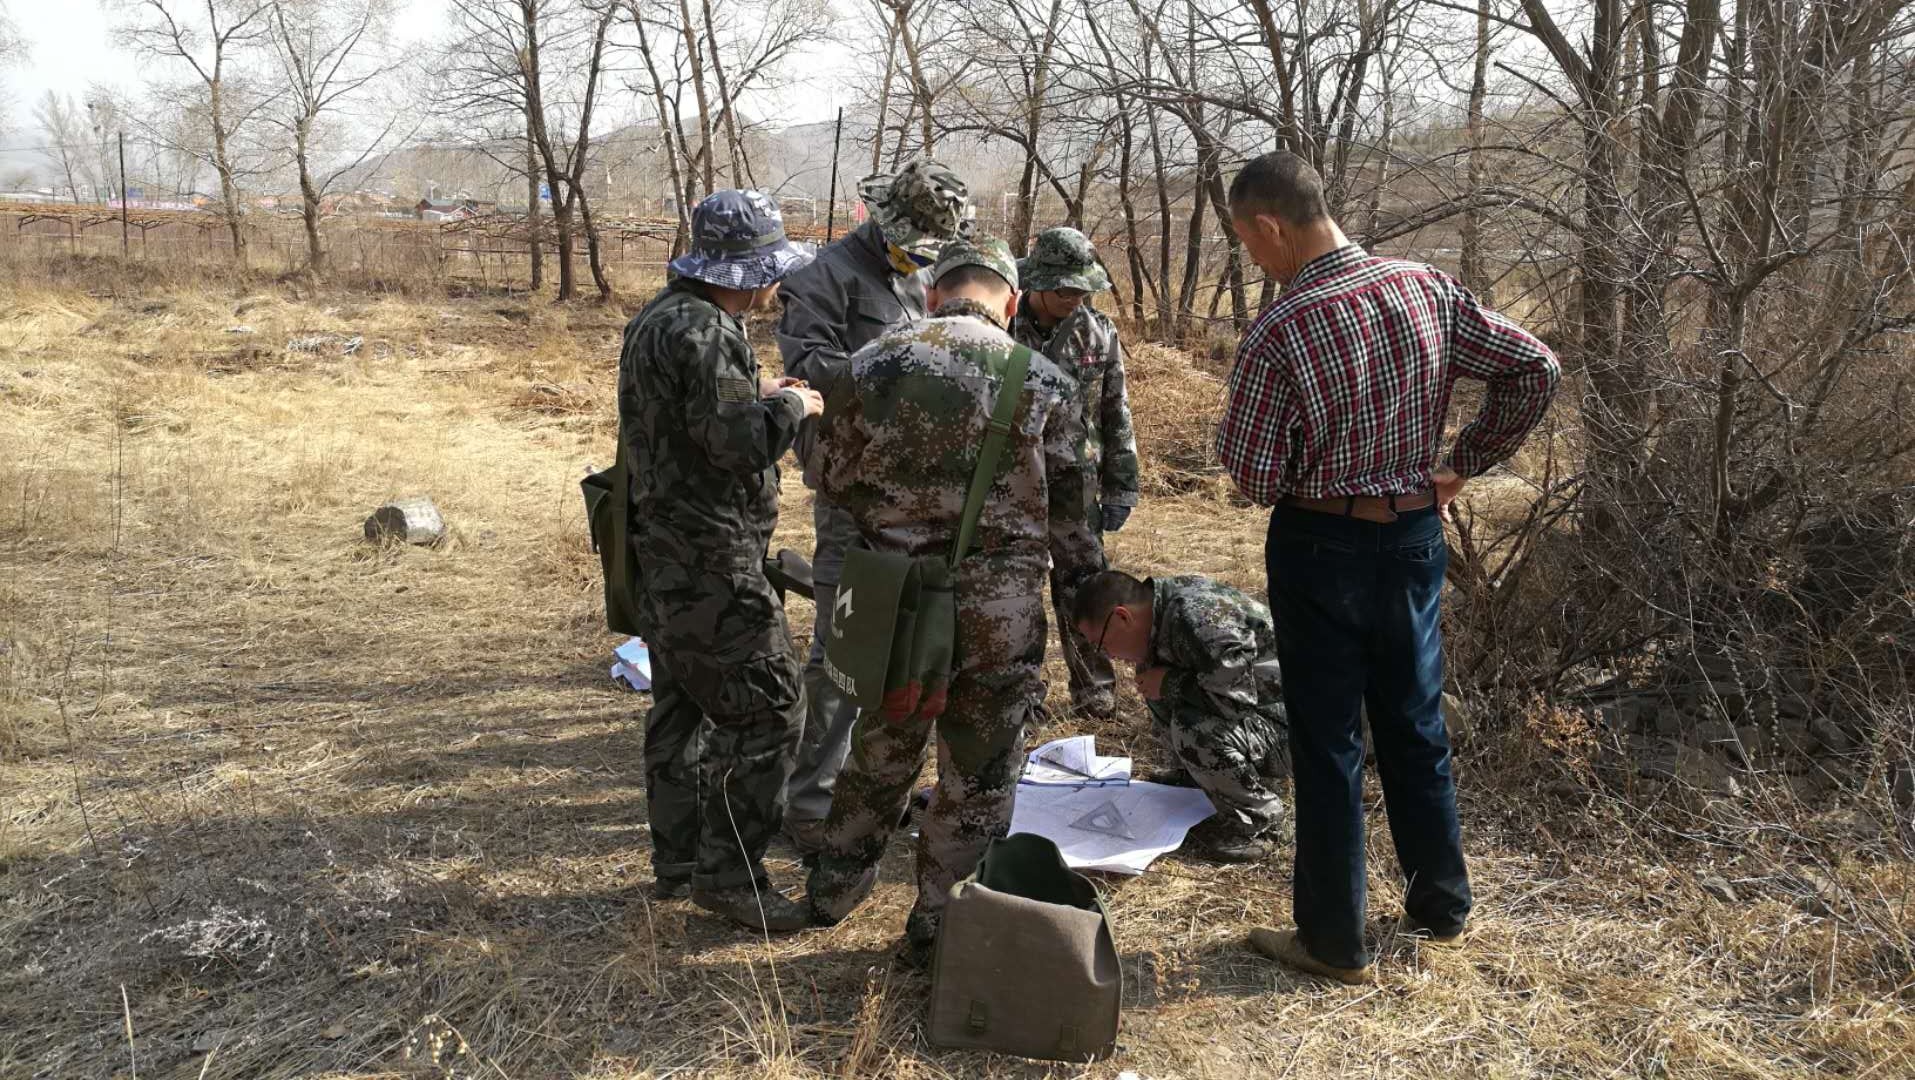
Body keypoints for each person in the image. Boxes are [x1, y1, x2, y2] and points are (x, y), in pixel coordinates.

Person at [1216, 151, 1559, 984]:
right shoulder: (1427, 289)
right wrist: (1463, 462)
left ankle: (1334, 941)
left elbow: (1254, 477)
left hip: (1319, 545)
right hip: (1411, 538)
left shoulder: (1281, 329)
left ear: (1269, 226)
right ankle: (1439, 905)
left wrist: (1308, 455)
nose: (1252, 259)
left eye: (1246, 242)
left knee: (1329, 741)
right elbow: (1533, 367)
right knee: (1413, 721)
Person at [801, 237, 1102, 968]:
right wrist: (1088, 650)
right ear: (1011, 299)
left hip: (894, 603)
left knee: (880, 745)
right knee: (980, 772)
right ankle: (940, 926)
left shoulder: (866, 366)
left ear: (933, 294)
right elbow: (1075, 532)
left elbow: (828, 480)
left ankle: (832, 890)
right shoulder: (1045, 382)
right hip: (996, 615)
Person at [619, 189, 825, 931]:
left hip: (664, 554)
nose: (773, 288)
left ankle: (677, 861)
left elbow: (686, 413)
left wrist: (757, 389)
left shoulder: (660, 317)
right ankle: (731, 878)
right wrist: (792, 410)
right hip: (714, 559)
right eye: (768, 272)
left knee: (680, 706)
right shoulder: (708, 330)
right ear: (743, 271)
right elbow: (736, 445)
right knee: (769, 713)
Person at [775, 159, 972, 857]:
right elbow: (810, 373)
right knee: (842, 651)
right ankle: (808, 805)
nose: (918, 260)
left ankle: (864, 792)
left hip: (914, 493)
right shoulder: (819, 280)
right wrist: (903, 363)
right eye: (910, 245)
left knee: (899, 651)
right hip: (851, 493)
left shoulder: (918, 276)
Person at [1070, 569, 1290, 862]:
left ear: (1123, 617)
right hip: (1266, 708)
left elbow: (1234, 703)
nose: (1108, 655)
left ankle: (1263, 822)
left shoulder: (1198, 619)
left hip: (1310, 725)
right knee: (1154, 679)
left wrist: (1171, 683)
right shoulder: (1160, 612)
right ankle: (1203, 778)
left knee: (1195, 728)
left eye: (1103, 644)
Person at [1010, 227, 1139, 720]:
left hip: (1075, 486)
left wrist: (1122, 484)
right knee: (1017, 593)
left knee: (1085, 587)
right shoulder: (1003, 325)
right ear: (1037, 283)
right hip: (1012, 484)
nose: (1075, 299)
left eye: (1083, 290)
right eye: (1065, 290)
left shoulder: (1098, 331)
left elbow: (1115, 411)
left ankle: (1094, 691)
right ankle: (1023, 696)